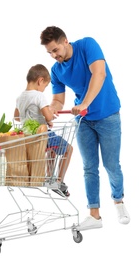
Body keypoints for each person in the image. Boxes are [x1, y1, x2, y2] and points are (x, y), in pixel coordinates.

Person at [40, 26, 130, 230]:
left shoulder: (88, 45)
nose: (54, 56)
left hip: (108, 115)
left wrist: (84, 104)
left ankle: (118, 201)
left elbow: (99, 74)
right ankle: (94, 215)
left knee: (111, 165)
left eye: (55, 50)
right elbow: (57, 99)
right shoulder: (56, 70)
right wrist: (51, 110)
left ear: (65, 41)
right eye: (49, 53)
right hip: (83, 122)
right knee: (89, 168)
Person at [14, 64, 73, 196]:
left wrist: (34, 117)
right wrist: (50, 115)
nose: (44, 89)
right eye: (45, 86)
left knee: (51, 149)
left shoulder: (20, 98)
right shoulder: (39, 96)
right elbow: (48, 115)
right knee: (68, 149)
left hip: (27, 136)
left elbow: (17, 117)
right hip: (42, 134)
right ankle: (59, 181)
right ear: (40, 80)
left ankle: (49, 176)